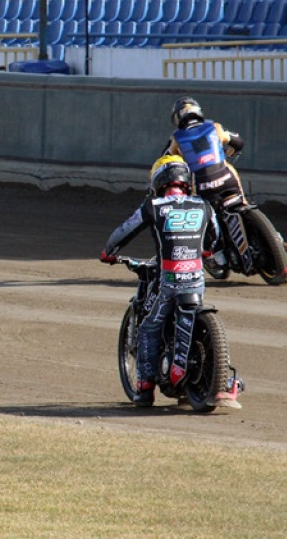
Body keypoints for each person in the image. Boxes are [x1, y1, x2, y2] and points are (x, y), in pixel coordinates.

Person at [99, 155, 225, 407]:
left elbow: (125, 230)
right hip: (196, 281)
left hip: (169, 281)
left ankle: (145, 388)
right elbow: (214, 240)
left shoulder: (154, 206)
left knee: (148, 327)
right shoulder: (204, 205)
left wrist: (108, 252)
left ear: (158, 181)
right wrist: (206, 252)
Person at [164, 96, 245, 208]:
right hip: (226, 178)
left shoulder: (176, 138)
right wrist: (227, 154)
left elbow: (167, 161)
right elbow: (239, 143)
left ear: (177, 118)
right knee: (243, 203)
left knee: (200, 215)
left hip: (200, 185)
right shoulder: (215, 127)